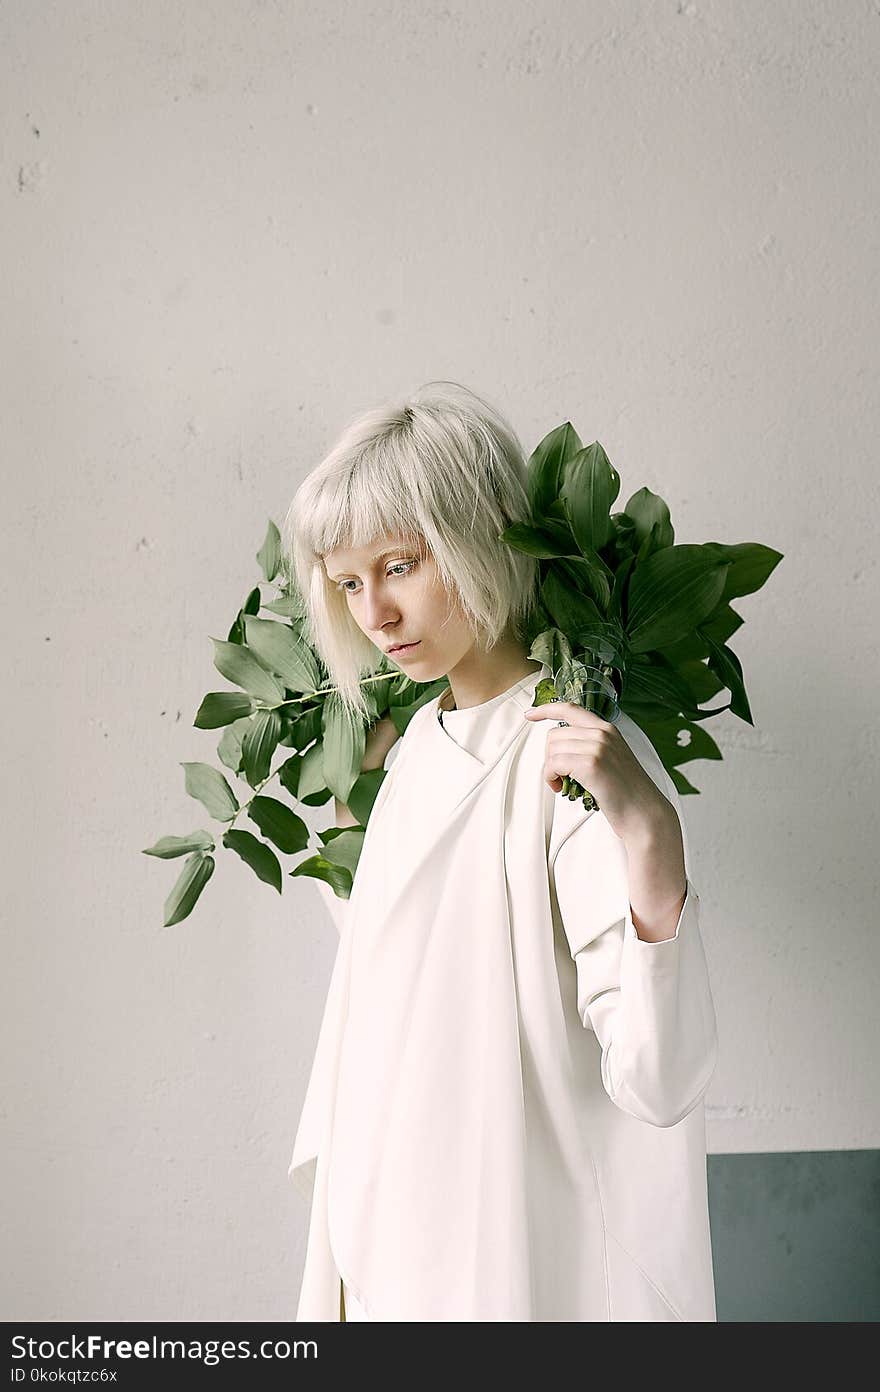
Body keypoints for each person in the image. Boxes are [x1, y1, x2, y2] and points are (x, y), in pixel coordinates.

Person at [281, 381, 719, 1322]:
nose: (376, 615)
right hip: (396, 1239)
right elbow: (403, 1006)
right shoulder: (414, 754)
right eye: (348, 581)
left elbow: (658, 1074)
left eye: (401, 565)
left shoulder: (568, 754)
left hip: (522, 1253)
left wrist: (648, 830)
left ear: (483, 540)